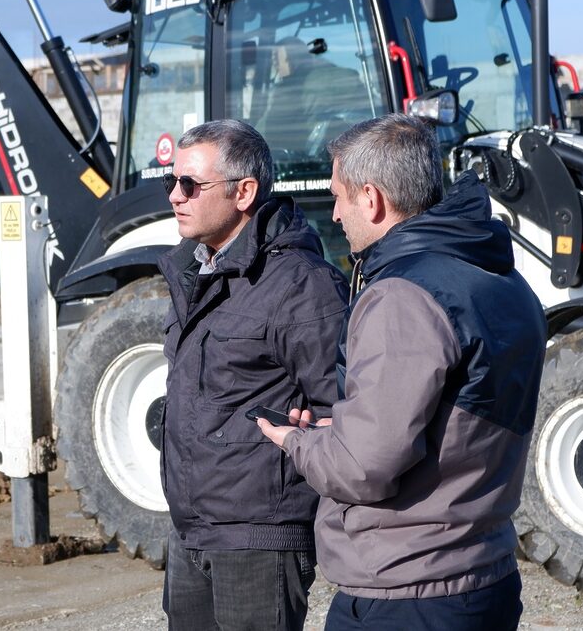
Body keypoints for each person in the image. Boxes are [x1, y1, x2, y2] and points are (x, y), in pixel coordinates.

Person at [259, 114, 546, 630]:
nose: (337, 214)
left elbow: (362, 468)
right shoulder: (501, 278)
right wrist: (343, 430)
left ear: (371, 199)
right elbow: (456, 420)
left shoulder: (402, 296)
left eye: (339, 196)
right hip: (483, 572)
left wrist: (297, 443)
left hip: (408, 588)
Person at [157, 119, 348, 631]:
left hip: (260, 538)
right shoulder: (191, 274)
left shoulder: (299, 286)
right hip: (191, 531)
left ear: (244, 192)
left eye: (190, 185)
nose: (176, 196)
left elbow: (347, 411)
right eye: (171, 182)